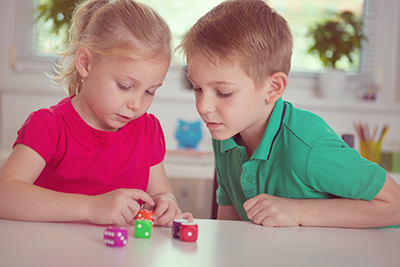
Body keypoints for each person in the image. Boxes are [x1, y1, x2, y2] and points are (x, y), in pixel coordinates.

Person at [178, 0, 400, 228]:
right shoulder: (225, 135)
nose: (204, 106)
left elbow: (395, 204)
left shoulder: (308, 146)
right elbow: (229, 229)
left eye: (224, 92)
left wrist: (298, 211)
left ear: (273, 88)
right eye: (197, 88)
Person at [0, 0, 192, 227]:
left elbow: (160, 192)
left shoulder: (147, 130)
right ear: (85, 64)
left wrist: (165, 203)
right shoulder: (49, 126)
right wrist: (91, 207)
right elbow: (5, 194)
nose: (137, 104)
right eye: (124, 86)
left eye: (150, 91)